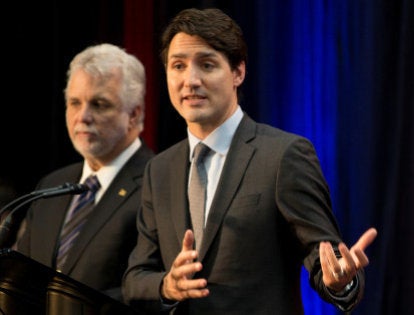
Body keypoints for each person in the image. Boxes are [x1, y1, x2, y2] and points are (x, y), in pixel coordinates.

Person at [122, 7, 378, 314]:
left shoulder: (284, 155)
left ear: (238, 72)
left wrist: (341, 281)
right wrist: (167, 285)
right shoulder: (159, 170)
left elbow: (323, 256)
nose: (190, 80)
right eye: (178, 66)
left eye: (206, 64)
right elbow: (135, 279)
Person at [15, 43, 155, 302]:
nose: (83, 116)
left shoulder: (157, 183)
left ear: (134, 114)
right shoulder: (51, 186)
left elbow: (152, 290)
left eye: (99, 104)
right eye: (74, 103)